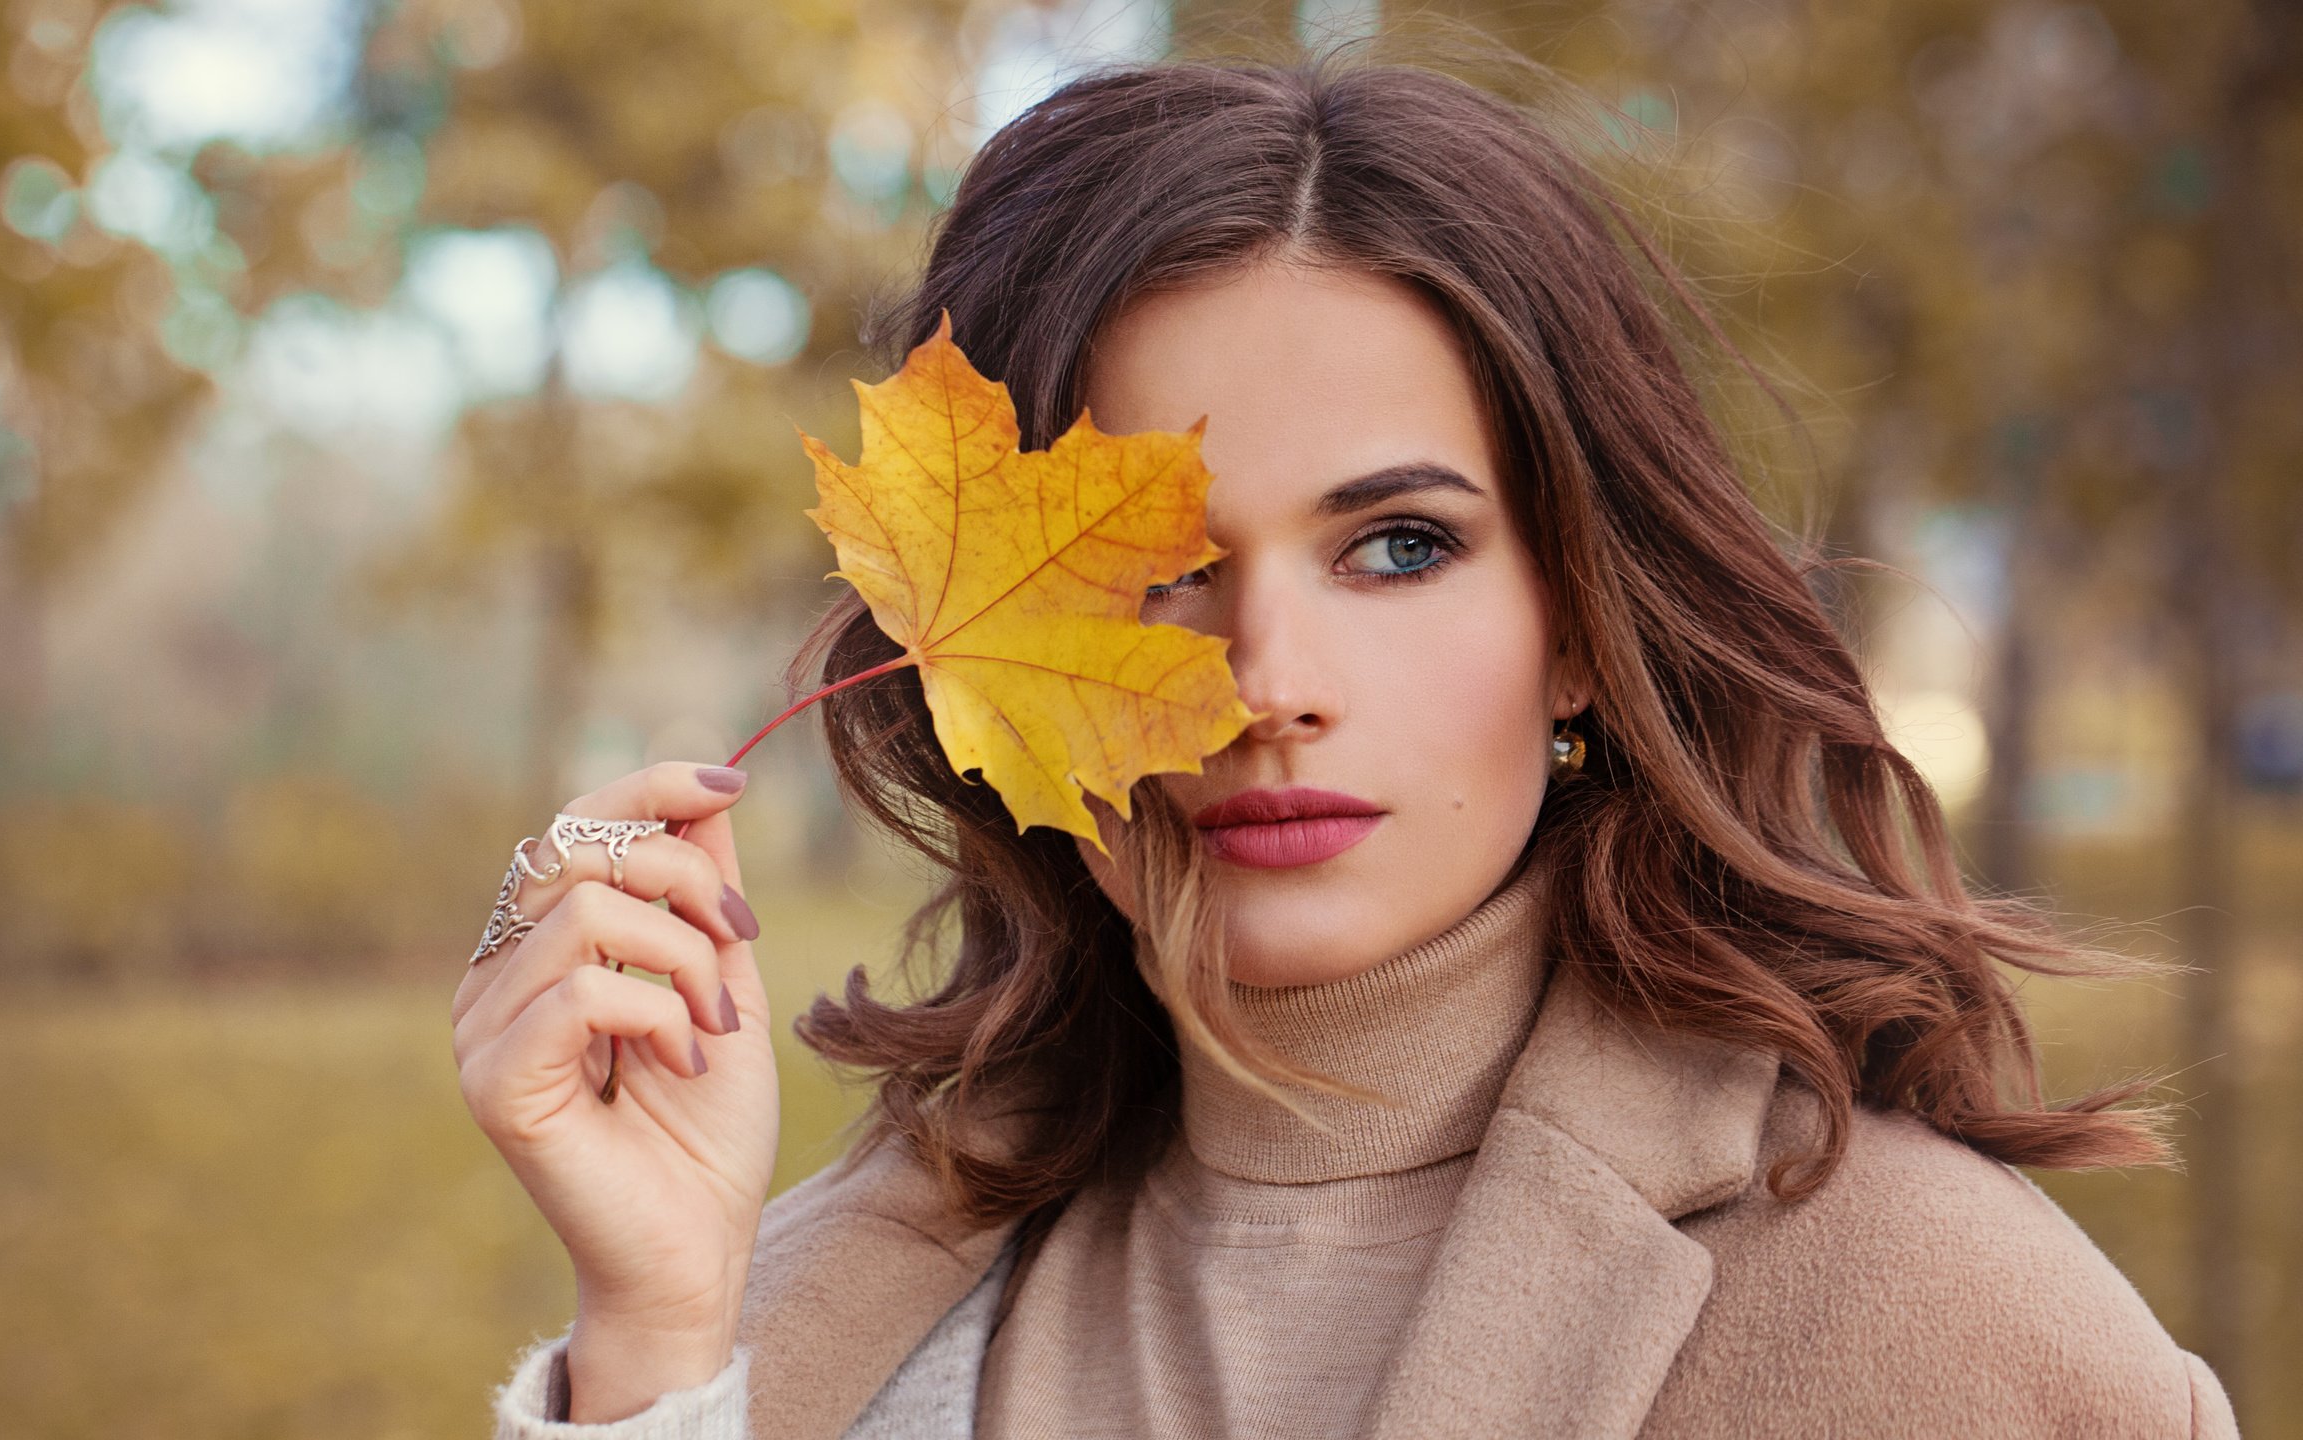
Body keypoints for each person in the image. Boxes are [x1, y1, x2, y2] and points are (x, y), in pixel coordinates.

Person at [446, 50, 2240, 1440]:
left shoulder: (1956, 1333)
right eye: (1159, 574)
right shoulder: (817, 1313)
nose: (1265, 682)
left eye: (1401, 546)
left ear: (1579, 637)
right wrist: (663, 1346)